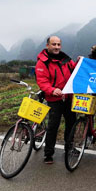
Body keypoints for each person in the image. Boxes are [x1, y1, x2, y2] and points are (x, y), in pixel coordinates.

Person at [35, 35, 77, 164]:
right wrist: (52, 90)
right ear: (47, 45)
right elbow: (42, 81)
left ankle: (69, 147)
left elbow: (75, 70)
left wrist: (79, 63)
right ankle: (48, 153)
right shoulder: (43, 62)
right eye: (54, 44)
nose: (56, 47)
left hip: (69, 98)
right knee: (53, 126)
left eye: (58, 44)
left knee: (71, 124)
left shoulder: (66, 59)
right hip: (54, 99)